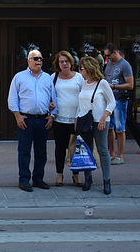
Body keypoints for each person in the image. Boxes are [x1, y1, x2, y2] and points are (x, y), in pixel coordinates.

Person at [8, 49, 57, 192]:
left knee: (41, 152)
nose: (39, 61)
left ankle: (38, 179)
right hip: (26, 119)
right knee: (24, 151)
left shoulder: (47, 77)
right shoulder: (19, 77)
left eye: (41, 59)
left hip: (43, 120)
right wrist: (17, 116)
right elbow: (13, 98)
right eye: (36, 59)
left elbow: (54, 98)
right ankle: (24, 180)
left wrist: (52, 115)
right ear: (28, 60)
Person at [75, 56, 115, 195]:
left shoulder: (102, 83)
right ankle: (88, 178)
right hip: (85, 120)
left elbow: (112, 102)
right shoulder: (84, 83)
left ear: (89, 68)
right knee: (86, 150)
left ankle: (106, 181)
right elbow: (80, 104)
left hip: (100, 121)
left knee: (103, 150)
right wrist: (76, 119)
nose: (79, 70)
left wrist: (104, 117)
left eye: (81, 68)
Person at [50, 51, 84, 187]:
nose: (64, 64)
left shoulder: (79, 78)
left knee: (75, 148)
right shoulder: (54, 77)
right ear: (58, 64)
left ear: (71, 62)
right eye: (61, 62)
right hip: (59, 119)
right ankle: (59, 174)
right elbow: (49, 95)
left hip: (76, 118)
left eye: (66, 61)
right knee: (60, 148)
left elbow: (85, 96)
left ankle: (76, 174)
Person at [117, 48, 140, 154]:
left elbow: (129, 84)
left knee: (128, 121)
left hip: (124, 97)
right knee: (126, 121)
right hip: (124, 97)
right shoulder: (120, 66)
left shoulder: (125, 66)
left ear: (122, 56)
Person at [103, 43, 133, 165]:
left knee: (120, 128)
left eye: (109, 55)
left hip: (120, 98)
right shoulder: (109, 63)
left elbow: (130, 85)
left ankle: (120, 155)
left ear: (115, 52)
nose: (107, 58)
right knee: (110, 127)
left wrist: (114, 86)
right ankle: (112, 153)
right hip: (109, 98)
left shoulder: (125, 65)